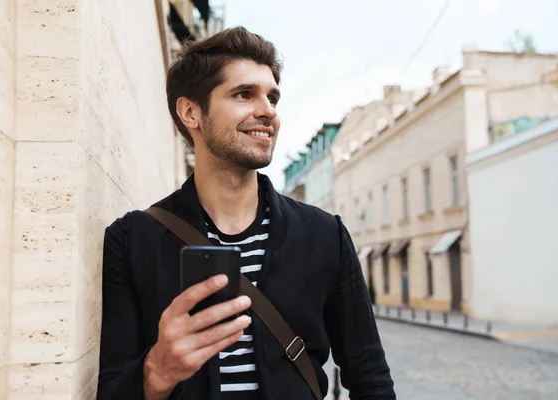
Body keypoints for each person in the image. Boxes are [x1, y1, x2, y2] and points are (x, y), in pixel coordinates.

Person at [96, 26, 395, 400]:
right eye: (243, 94)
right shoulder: (132, 239)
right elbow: (109, 390)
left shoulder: (324, 235)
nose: (267, 111)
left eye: (272, 98)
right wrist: (157, 370)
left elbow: (371, 381)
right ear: (191, 112)